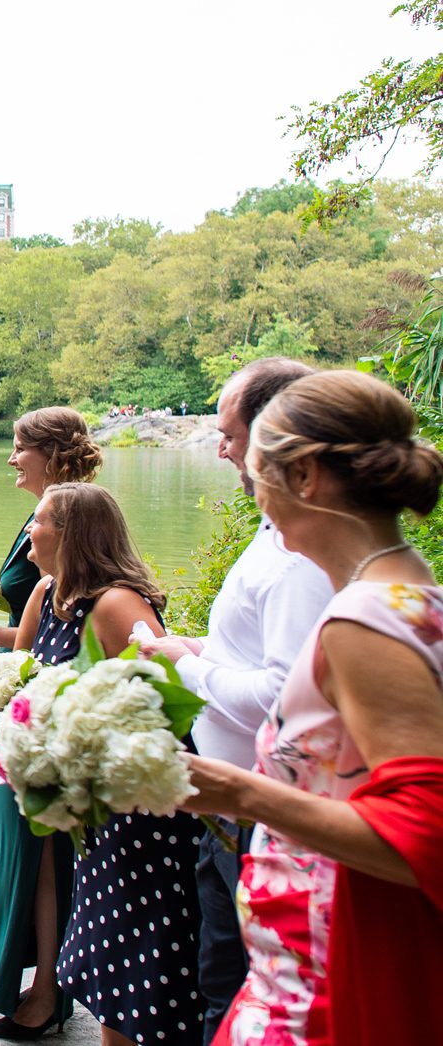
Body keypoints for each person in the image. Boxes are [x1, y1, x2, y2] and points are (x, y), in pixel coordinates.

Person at [180, 371, 443, 1046]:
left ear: (303, 479)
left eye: (258, 466)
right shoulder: (400, 594)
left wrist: (233, 789)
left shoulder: (366, 621)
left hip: (326, 983)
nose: (252, 487)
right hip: (304, 967)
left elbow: (427, 834)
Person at [133, 359, 329, 1042]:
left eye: (229, 433)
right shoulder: (276, 535)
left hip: (262, 810)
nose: (219, 447)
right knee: (220, 975)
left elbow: (283, 696)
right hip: (234, 809)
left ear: (277, 433)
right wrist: (192, 650)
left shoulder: (302, 558)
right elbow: (260, 657)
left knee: (242, 985)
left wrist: (189, 668)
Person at [37, 483, 202, 1046]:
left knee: (145, 958)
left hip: (143, 816)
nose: (29, 532)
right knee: (110, 960)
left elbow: (164, 708)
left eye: (38, 521)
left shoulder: (116, 604)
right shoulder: (54, 595)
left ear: (72, 534)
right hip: (101, 812)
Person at [0, 407, 102, 1038]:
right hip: (23, 701)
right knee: (32, 862)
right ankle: (43, 983)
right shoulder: (41, 518)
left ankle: (51, 990)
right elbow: (33, 631)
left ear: (51, 451)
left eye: (20, 446)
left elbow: (73, 625)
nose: (11, 457)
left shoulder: (73, 517)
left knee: (50, 863)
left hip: (54, 717)